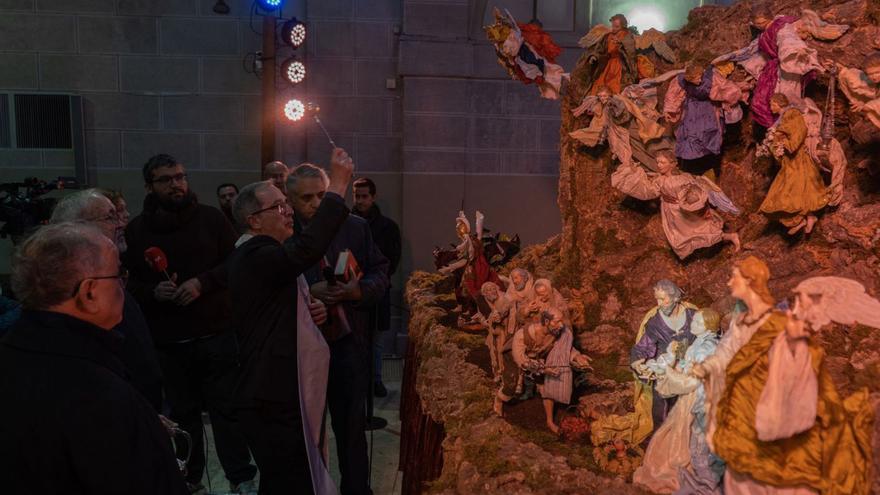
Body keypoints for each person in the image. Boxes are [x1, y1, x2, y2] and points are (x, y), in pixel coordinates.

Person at [0, 223, 188, 494]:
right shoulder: (97, 395)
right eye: (118, 274)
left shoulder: (15, 352)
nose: (123, 284)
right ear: (89, 292)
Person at [123, 154, 256, 494]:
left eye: (180, 176)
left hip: (216, 334)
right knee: (183, 417)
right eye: (166, 179)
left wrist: (202, 283)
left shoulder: (212, 219)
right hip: (169, 341)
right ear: (149, 186)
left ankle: (240, 477)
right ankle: (189, 479)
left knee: (228, 412)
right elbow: (128, 283)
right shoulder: (137, 229)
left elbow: (235, 264)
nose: (176, 183)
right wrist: (155, 290)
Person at [226, 149, 353, 495]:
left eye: (286, 204)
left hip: (277, 393)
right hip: (269, 397)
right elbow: (305, 251)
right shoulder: (253, 254)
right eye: (278, 207)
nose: (288, 212)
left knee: (289, 480)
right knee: (290, 482)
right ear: (253, 221)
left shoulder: (265, 256)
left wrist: (312, 312)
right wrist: (338, 185)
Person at [695, 256, 872, 494]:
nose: (728, 283)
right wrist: (710, 368)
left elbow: (798, 360)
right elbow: (728, 354)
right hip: (744, 403)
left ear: (750, 281)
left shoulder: (777, 321)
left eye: (733, 276)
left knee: (779, 468)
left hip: (774, 398)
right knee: (743, 470)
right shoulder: (741, 321)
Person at [289, 162, 390, 495]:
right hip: (300, 346)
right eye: (306, 198)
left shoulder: (355, 227)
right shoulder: (283, 233)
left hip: (349, 340)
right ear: (290, 200)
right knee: (304, 431)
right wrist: (307, 292)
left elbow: (380, 272)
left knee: (350, 430)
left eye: (322, 194)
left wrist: (357, 291)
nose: (316, 204)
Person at [50, 189, 164, 411]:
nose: (121, 224)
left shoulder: (110, 277)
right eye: (110, 217)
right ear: (76, 227)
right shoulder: (71, 290)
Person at [632, 308, 723, 494]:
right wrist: (666, 362)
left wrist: (668, 373)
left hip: (696, 398)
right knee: (673, 433)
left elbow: (690, 380)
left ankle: (695, 476)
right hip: (688, 397)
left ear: (708, 327)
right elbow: (684, 366)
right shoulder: (699, 342)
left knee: (687, 437)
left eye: (697, 323)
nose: (692, 325)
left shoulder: (707, 348)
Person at [611, 150, 741, 258]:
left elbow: (696, 194)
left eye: (662, 162)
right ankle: (699, 252)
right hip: (671, 212)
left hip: (683, 212)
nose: (659, 165)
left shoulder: (683, 178)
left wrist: (693, 204)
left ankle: (730, 237)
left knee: (700, 231)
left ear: (672, 164)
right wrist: (632, 175)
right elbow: (648, 192)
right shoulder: (659, 180)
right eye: (657, 162)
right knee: (681, 237)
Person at [351, 177, 401, 397]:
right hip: (352, 290)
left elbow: (392, 259)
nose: (360, 201)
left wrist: (375, 282)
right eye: (357, 196)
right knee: (353, 340)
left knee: (377, 340)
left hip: (377, 291)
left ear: (373, 197)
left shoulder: (387, 227)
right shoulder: (346, 222)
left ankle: (376, 380)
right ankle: (357, 381)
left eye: (364, 196)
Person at [630, 280, 697, 439]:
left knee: (687, 411)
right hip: (664, 372)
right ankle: (660, 443)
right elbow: (643, 346)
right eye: (657, 299)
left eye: (662, 299)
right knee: (662, 410)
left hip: (688, 371)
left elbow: (708, 336)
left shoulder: (692, 315)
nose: (659, 304)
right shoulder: (655, 322)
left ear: (675, 298)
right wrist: (637, 361)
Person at [758, 94, 828, 235]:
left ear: (779, 104)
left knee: (797, 190)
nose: (770, 107)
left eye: (772, 104)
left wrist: (786, 143)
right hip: (791, 161)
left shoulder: (792, 113)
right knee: (793, 192)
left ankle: (806, 218)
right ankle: (802, 219)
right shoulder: (782, 118)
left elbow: (799, 131)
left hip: (798, 159)